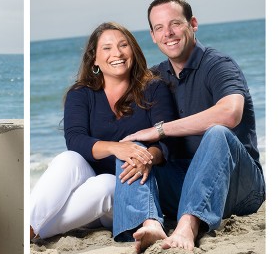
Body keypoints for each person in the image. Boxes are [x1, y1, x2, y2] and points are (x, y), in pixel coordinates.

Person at [120, 0, 265, 252]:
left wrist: (161, 130)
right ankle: (150, 223)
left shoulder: (218, 64)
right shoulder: (154, 77)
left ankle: (187, 226)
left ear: (193, 24)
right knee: (131, 148)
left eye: (175, 24)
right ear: (153, 36)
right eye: (159, 28)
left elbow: (230, 113)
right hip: (185, 182)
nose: (169, 33)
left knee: (218, 133)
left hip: (240, 186)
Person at [29, 22, 176, 241]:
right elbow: (75, 140)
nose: (116, 53)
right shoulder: (81, 94)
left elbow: (166, 141)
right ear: (95, 59)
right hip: (87, 189)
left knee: (108, 185)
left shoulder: (153, 88)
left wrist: (146, 158)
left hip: (130, 188)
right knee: (69, 159)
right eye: (106, 48)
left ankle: (32, 232)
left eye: (123, 45)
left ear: (133, 51)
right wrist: (117, 149)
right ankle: (30, 230)